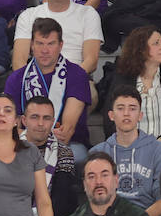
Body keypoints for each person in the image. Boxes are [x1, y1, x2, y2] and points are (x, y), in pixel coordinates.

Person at [5, 13, 94, 156]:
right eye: (40, 43)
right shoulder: (16, 78)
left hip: (69, 144)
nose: (45, 50)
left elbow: (66, 132)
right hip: (25, 143)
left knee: (75, 156)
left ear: (60, 45)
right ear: (32, 45)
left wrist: (35, 136)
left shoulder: (77, 75)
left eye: (51, 44)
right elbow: (11, 126)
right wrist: (33, 138)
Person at [91, 88, 161, 216]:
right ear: (111, 115)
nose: (126, 114)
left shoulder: (159, 150)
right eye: (120, 108)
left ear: (140, 115)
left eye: (132, 108)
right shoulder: (98, 153)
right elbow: (94, 198)